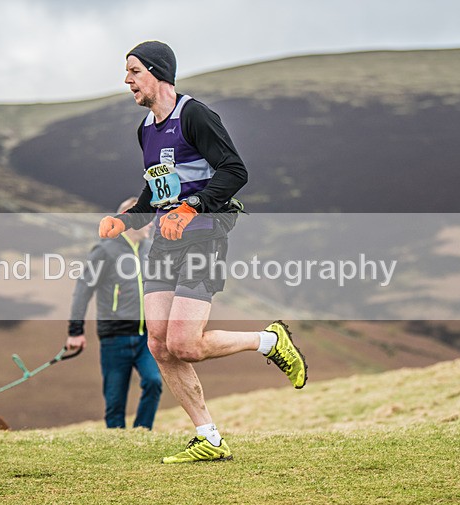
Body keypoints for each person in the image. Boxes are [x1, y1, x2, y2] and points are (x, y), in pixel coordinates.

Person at [99, 41, 308, 463]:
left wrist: (192, 207)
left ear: (156, 72)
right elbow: (158, 190)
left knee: (186, 344)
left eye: (134, 71)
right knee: (159, 344)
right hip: (164, 238)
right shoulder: (145, 129)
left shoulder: (194, 115)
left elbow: (235, 171)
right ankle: (209, 437)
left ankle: (269, 341)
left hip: (205, 233)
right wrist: (127, 220)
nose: (127, 80)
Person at [67, 197, 162, 430]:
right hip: (114, 337)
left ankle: (142, 432)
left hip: (145, 337)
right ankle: (116, 440)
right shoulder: (104, 250)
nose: (151, 224)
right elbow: (83, 289)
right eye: (146, 219)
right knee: (115, 400)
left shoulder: (150, 250)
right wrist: (75, 331)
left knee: (154, 382)